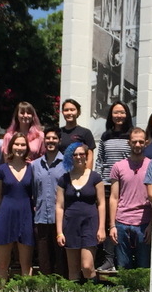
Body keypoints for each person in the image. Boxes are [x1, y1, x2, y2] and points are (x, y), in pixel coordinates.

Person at [56, 143, 106, 281]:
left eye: (81, 154)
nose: (78, 157)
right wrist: (59, 232)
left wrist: (101, 228)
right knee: (73, 268)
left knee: (87, 266)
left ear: (86, 156)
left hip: (90, 224)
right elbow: (59, 207)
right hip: (70, 225)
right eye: (75, 154)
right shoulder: (64, 179)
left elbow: (101, 204)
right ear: (70, 157)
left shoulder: (95, 177)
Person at [95, 101, 133, 271]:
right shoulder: (106, 136)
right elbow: (100, 160)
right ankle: (109, 259)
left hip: (126, 184)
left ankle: (124, 259)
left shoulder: (132, 135)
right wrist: (98, 181)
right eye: (116, 112)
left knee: (123, 221)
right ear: (111, 115)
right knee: (109, 222)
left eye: (122, 112)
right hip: (107, 185)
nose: (119, 116)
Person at [109, 128, 152, 269]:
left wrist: (151, 224)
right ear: (129, 143)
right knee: (123, 267)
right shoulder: (118, 166)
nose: (138, 145)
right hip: (122, 222)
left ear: (146, 143)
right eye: (134, 142)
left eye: (141, 142)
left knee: (144, 267)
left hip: (144, 223)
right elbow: (114, 197)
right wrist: (112, 225)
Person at [0, 132, 34, 281]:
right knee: (3, 263)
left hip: (26, 215)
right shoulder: (1, 169)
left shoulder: (32, 168)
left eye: (23, 144)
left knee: (26, 263)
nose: (20, 147)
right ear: (11, 146)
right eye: (17, 144)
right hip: (6, 214)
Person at [31, 126, 67, 276]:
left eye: (54, 138)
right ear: (44, 140)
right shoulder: (35, 165)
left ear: (59, 140)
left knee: (61, 260)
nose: (51, 141)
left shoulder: (67, 163)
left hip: (60, 220)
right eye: (48, 138)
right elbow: (33, 190)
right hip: (41, 218)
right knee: (44, 259)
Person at [59, 98, 96, 169]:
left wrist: (87, 175)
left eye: (72, 110)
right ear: (62, 112)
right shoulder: (58, 132)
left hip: (79, 172)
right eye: (66, 110)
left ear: (78, 112)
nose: (69, 113)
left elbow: (90, 157)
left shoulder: (85, 132)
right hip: (60, 172)